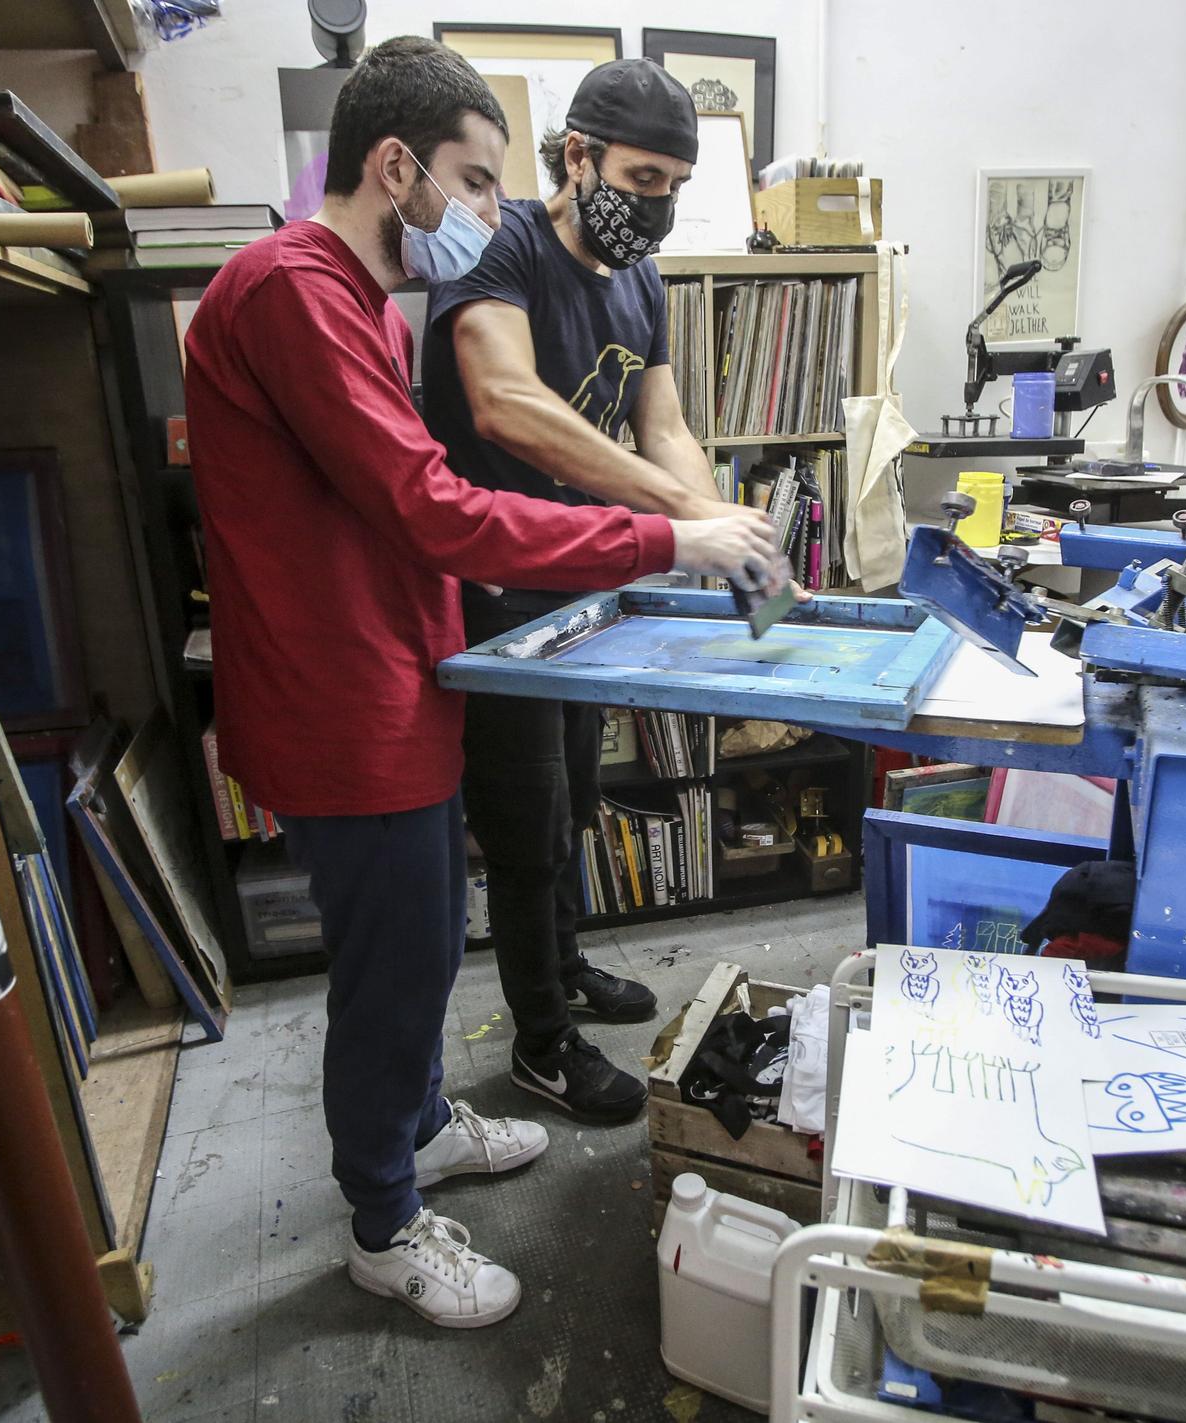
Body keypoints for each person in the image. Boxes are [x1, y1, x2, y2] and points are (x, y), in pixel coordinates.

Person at [182, 37, 782, 1330]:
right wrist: (666, 534)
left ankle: (418, 1127)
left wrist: (677, 516)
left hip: (395, 670)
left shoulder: (344, 295)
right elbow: (438, 504)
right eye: (470, 176)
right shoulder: (291, 286)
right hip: (345, 696)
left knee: (424, 926)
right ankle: (385, 1221)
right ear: (394, 166)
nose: (487, 210)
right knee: (393, 972)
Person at [422, 58, 737, 1127]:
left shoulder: (638, 281)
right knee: (524, 825)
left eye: (674, 186)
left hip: (573, 586)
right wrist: (673, 524)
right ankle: (542, 1044)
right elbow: (507, 403)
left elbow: (665, 427)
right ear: (577, 157)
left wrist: (726, 533)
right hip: (491, 585)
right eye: (640, 177)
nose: (656, 205)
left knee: (573, 797)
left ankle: (565, 965)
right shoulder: (499, 247)